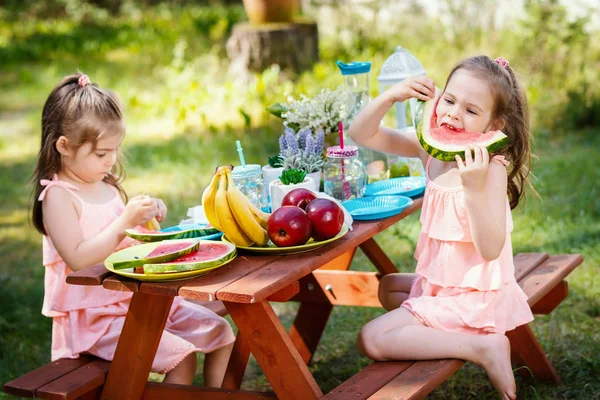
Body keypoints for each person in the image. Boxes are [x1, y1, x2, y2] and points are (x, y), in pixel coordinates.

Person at [31, 73, 235, 386]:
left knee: (222, 334)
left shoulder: (105, 185)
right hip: (97, 322)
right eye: (101, 153)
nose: (111, 161)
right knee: (182, 357)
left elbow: (128, 239)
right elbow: (79, 260)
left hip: (141, 302)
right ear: (64, 146)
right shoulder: (58, 197)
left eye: (115, 149)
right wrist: (123, 222)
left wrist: (144, 217)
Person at [349, 56, 534, 400]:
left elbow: (491, 248)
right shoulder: (430, 150)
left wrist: (473, 189)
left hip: (474, 297)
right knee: (389, 288)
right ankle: (446, 333)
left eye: (470, 111)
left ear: (495, 124)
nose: (451, 114)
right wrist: (390, 97)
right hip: (447, 288)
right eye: (448, 100)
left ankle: (482, 347)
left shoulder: (490, 170)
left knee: (370, 339)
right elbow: (361, 133)